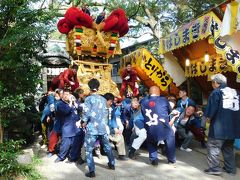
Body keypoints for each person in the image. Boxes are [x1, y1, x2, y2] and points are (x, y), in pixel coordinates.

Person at [203, 74, 240, 175]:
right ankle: (231, 169)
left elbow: (211, 111)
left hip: (219, 128)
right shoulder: (236, 92)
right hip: (233, 128)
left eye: (212, 83)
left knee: (213, 147)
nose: (212, 85)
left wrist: (207, 120)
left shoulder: (216, 92)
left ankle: (215, 168)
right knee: (228, 148)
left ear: (216, 83)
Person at [79, 79, 115, 178]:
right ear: (98, 87)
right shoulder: (103, 99)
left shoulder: (88, 99)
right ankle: (112, 164)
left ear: (89, 87)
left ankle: (92, 171)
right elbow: (105, 113)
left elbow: (86, 114)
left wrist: (83, 122)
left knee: (88, 150)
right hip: (102, 127)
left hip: (92, 129)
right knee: (107, 146)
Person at [141, 86, 176, 166]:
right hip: (163, 127)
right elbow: (169, 111)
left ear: (149, 93)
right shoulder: (164, 100)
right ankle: (171, 159)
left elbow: (143, 114)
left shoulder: (144, 102)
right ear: (159, 93)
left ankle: (153, 159)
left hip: (150, 127)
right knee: (170, 136)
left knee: (151, 141)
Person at [104, 93, 127, 160]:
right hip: (102, 129)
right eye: (110, 101)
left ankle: (121, 154)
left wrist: (115, 128)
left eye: (112, 101)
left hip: (111, 128)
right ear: (106, 100)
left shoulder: (112, 108)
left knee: (120, 136)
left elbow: (113, 119)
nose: (111, 103)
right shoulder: (100, 108)